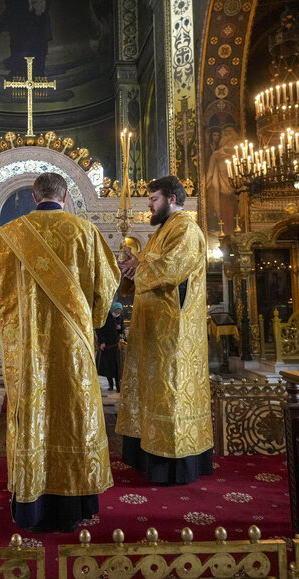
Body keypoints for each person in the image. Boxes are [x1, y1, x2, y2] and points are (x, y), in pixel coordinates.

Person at [0, 172, 120, 532]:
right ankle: (75, 502)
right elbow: (107, 285)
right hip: (73, 346)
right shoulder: (85, 232)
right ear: (65, 196)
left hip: (27, 349)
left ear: (34, 196)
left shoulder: (5, 236)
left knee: (33, 412)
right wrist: (88, 321)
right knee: (74, 412)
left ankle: (31, 502)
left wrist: (16, 328)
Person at [116, 175, 213, 485]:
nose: (149, 205)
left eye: (154, 199)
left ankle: (171, 467)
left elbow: (172, 268)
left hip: (173, 334)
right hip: (154, 330)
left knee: (170, 393)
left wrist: (139, 267)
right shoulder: (163, 231)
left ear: (172, 198)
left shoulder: (185, 228)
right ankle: (147, 456)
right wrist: (133, 264)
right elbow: (150, 264)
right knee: (154, 393)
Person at [96, 302, 124, 392]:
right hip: (107, 347)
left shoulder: (119, 317)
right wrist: (102, 342)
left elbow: (121, 330)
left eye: (119, 311)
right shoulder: (106, 317)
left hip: (115, 346)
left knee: (116, 367)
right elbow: (100, 329)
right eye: (116, 311)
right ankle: (110, 384)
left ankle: (118, 386)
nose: (117, 313)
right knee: (108, 368)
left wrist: (120, 328)